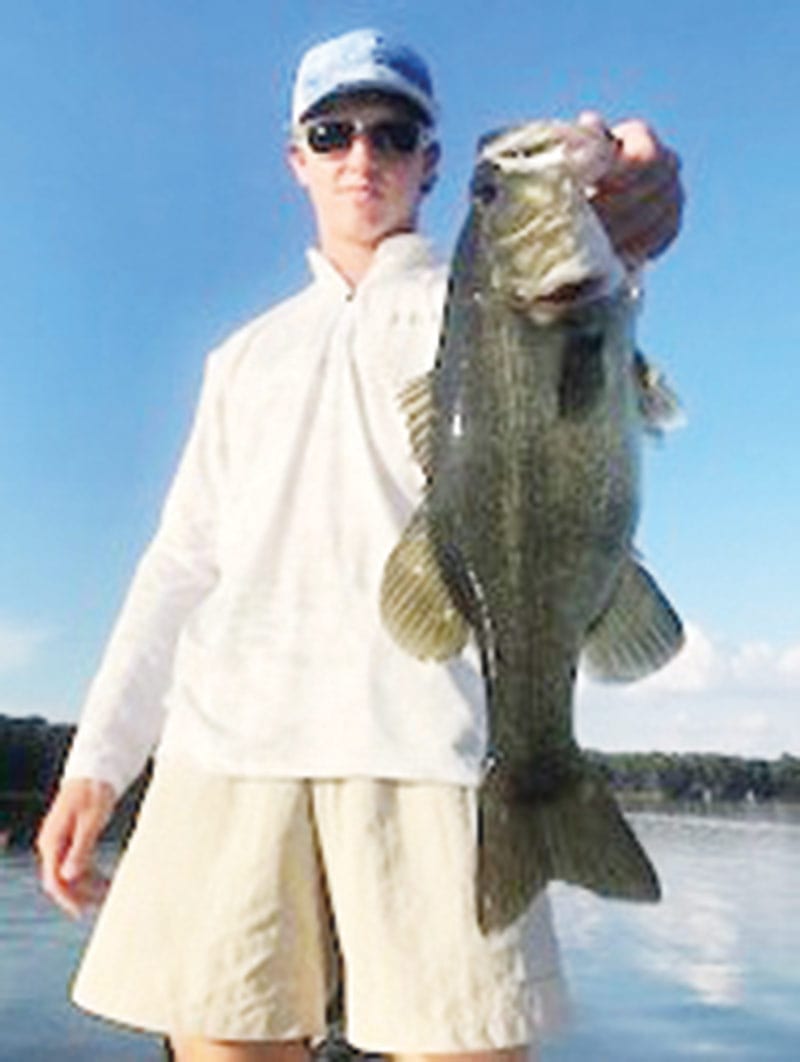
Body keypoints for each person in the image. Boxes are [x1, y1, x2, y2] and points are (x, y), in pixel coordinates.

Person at [36, 27, 684, 1062]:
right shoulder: (241, 357)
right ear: (297, 159)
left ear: (430, 162)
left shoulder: (477, 301)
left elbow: (603, 272)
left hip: (430, 746)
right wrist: (98, 765)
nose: (362, 156)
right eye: (331, 133)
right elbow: (178, 566)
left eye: (393, 132)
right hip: (226, 751)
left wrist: (630, 195)